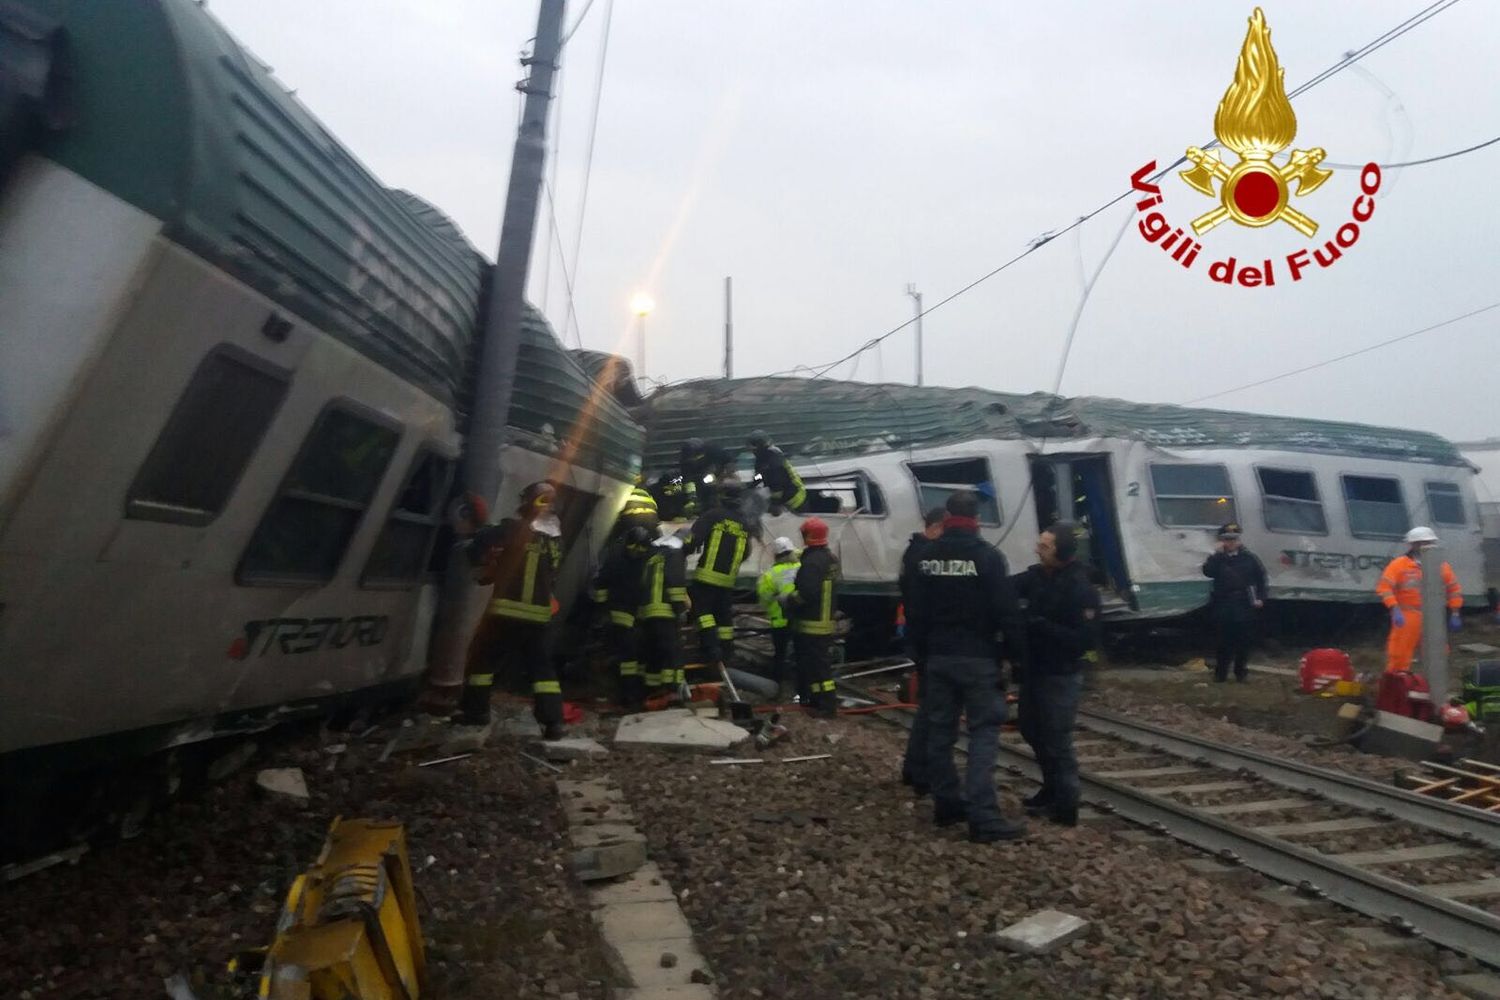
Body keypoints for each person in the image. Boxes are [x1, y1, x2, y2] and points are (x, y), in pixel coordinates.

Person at [908, 492, 1026, 843]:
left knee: (939, 733)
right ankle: (983, 816)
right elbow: (1006, 610)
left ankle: (947, 804)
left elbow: (914, 610)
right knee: (984, 733)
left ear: (947, 517)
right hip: (978, 658)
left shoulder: (925, 556)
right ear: (976, 518)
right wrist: (1016, 658)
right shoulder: (987, 558)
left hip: (938, 657)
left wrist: (920, 656)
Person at [459, 481, 566, 737]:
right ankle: (553, 724)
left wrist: (478, 522)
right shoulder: (554, 540)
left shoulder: (510, 528)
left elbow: (479, 546)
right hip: (539, 616)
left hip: (506, 612)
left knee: (482, 663)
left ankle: (476, 713)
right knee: (542, 672)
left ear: (528, 501)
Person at [1013, 522, 1100, 827]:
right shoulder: (1036, 576)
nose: (1039, 549)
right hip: (1035, 669)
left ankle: (1066, 803)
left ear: (1062, 551)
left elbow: (1085, 639)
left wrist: (1040, 625)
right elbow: (1005, 586)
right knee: (1030, 728)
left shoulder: (1080, 587)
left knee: (1057, 737)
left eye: (1046, 546)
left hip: (1061, 673)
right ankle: (1051, 788)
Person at [898, 507, 947, 795]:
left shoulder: (912, 552)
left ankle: (915, 767)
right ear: (938, 527)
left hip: (920, 638)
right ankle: (921, 771)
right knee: (932, 709)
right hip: (929, 641)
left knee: (928, 707)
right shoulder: (924, 555)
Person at [1376, 526, 1463, 674]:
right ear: (1413, 545)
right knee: (1400, 652)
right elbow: (1384, 588)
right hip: (1407, 614)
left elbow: (1454, 590)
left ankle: (1435, 686)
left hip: (1433, 615)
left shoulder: (1441, 566)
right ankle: (1396, 684)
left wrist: (1455, 613)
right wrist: (1394, 608)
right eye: (1422, 542)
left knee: (1438, 653)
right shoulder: (1399, 564)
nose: (1425, 546)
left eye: (1428, 542)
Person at [687, 476, 751, 672]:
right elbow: (746, 552)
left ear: (721, 495)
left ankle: (710, 651)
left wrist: (677, 552)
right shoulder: (743, 522)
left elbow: (692, 540)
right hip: (728, 580)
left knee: (703, 613)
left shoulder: (712, 515)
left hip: (706, 577)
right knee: (724, 619)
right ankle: (726, 653)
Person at [592, 525, 653, 710]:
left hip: (628, 615)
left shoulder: (617, 558)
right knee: (630, 657)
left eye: (640, 546)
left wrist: (601, 609)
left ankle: (632, 694)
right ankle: (630, 695)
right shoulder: (645, 561)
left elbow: (601, 584)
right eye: (634, 546)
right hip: (627, 615)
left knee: (631, 656)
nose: (636, 550)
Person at [1200, 522, 1268, 683]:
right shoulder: (1218, 558)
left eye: (1233, 539)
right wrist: (1216, 555)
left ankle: (1241, 672)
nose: (1230, 543)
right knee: (1223, 641)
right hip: (1223, 604)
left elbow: (1261, 579)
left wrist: (1261, 598)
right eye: (1227, 539)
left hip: (1245, 603)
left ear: (1238, 540)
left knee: (1244, 641)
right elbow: (1208, 572)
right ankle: (1220, 674)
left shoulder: (1250, 558)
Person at [787, 517, 840, 717]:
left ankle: (827, 706)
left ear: (809, 536)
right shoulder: (830, 558)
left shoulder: (812, 562)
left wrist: (788, 600)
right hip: (824, 620)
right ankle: (817, 701)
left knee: (818, 667)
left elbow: (806, 593)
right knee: (817, 665)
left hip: (811, 623)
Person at [638, 528, 691, 700]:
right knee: (672, 653)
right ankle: (673, 690)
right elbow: (675, 585)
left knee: (654, 653)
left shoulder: (654, 556)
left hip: (649, 612)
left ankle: (651, 691)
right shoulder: (675, 554)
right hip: (665, 611)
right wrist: (680, 610)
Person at [756, 537, 801, 699]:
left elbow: (764, 598)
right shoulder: (801, 567)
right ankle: (799, 687)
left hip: (779, 621)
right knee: (799, 653)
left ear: (775, 555)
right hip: (798, 620)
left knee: (780, 655)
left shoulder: (770, 575)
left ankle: (777, 688)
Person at [747, 430, 807, 514]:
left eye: (753, 448)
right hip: (784, 497)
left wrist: (775, 503)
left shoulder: (774, 458)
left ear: (759, 446)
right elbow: (760, 475)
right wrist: (751, 485)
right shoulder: (761, 459)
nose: (751, 450)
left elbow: (777, 484)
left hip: (794, 499)